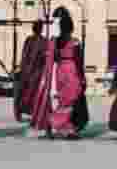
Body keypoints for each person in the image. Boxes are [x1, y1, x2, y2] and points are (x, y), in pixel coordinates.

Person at [30, 8, 88, 138]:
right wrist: (82, 78)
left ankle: (63, 126)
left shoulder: (56, 42)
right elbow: (79, 61)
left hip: (60, 71)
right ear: (71, 27)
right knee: (70, 102)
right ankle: (59, 125)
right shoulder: (75, 42)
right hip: (72, 71)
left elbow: (53, 57)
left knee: (64, 100)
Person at [14, 20, 47, 122]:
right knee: (27, 92)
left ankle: (28, 112)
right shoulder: (35, 40)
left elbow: (25, 55)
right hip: (31, 70)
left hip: (32, 70)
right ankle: (26, 112)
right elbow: (25, 54)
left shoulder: (39, 40)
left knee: (29, 93)